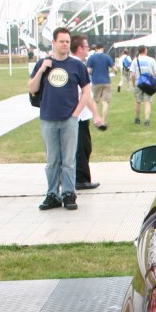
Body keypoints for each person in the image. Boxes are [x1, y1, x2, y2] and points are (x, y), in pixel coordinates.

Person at [28, 27, 101, 212]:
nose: (65, 44)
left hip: (69, 119)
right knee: (52, 159)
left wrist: (76, 113)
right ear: (54, 42)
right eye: (62, 41)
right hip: (48, 118)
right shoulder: (43, 63)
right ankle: (52, 193)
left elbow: (86, 91)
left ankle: (69, 193)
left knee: (69, 160)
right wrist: (42, 70)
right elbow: (32, 88)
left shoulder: (76, 65)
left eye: (67, 41)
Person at [70, 35, 100, 191]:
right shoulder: (76, 65)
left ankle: (78, 177)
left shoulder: (74, 64)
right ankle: (81, 178)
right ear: (80, 48)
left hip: (78, 114)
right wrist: (96, 114)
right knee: (82, 147)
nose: (88, 50)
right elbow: (84, 93)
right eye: (87, 47)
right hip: (79, 115)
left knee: (80, 147)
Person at [130, 45, 156, 126]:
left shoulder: (135, 61)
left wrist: (133, 83)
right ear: (145, 50)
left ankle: (137, 119)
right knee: (147, 101)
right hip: (148, 83)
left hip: (138, 82)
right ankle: (146, 120)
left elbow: (132, 75)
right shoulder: (151, 60)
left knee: (137, 101)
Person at [86, 43, 114, 124]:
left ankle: (96, 119)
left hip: (95, 81)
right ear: (103, 48)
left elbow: (88, 71)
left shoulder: (91, 58)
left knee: (95, 101)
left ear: (95, 49)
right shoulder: (107, 57)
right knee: (105, 102)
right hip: (106, 81)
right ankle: (103, 120)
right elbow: (114, 68)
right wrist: (113, 72)